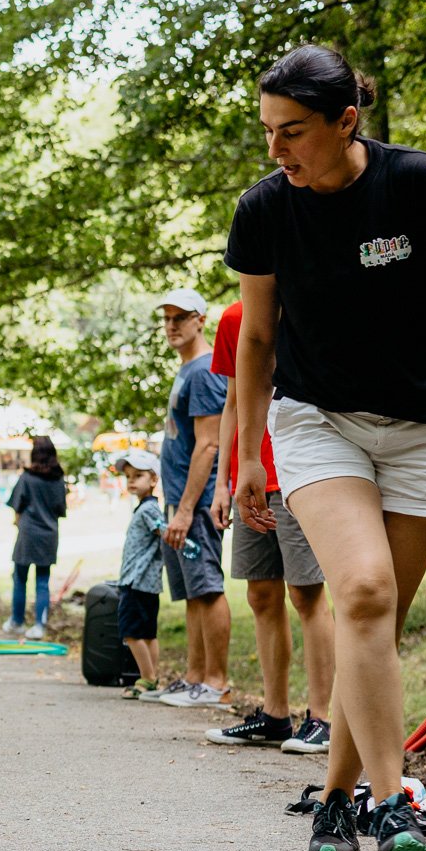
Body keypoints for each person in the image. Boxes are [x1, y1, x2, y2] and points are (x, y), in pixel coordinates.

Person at [227, 44, 426, 851]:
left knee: (376, 627)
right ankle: (390, 805)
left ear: (346, 121)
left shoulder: (417, 186)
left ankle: (331, 802)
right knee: (361, 590)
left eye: (293, 132)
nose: (276, 150)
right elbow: (256, 339)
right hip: (319, 421)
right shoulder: (265, 211)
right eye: (268, 132)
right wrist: (251, 455)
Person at [204, 298, 336, 753]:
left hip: (302, 472)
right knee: (261, 593)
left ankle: (322, 718)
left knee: (307, 592)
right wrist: (224, 481)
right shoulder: (236, 318)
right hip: (250, 478)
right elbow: (234, 403)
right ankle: (276, 715)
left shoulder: (315, 304)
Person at [154, 290, 232, 707]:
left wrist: (185, 509)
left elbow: (208, 446)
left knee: (207, 586)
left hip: (197, 502)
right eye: (166, 319)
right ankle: (194, 677)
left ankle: (216, 682)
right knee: (189, 590)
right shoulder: (186, 369)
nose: (172, 326)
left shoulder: (204, 372)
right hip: (177, 500)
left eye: (180, 318)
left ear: (200, 319)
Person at [112, 452, 166, 699]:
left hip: (137, 580)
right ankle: (151, 678)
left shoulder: (148, 510)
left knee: (131, 632)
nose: (132, 481)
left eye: (139, 476)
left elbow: (164, 532)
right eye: (128, 476)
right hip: (146, 581)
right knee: (146, 632)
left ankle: (147, 678)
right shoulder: (146, 508)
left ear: (153, 479)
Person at [3, 435, 69, 639]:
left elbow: (17, 505)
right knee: (43, 581)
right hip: (49, 535)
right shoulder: (58, 480)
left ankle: (17, 621)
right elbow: (60, 509)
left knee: (20, 577)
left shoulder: (27, 478)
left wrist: (17, 522)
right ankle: (40, 625)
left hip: (28, 533)